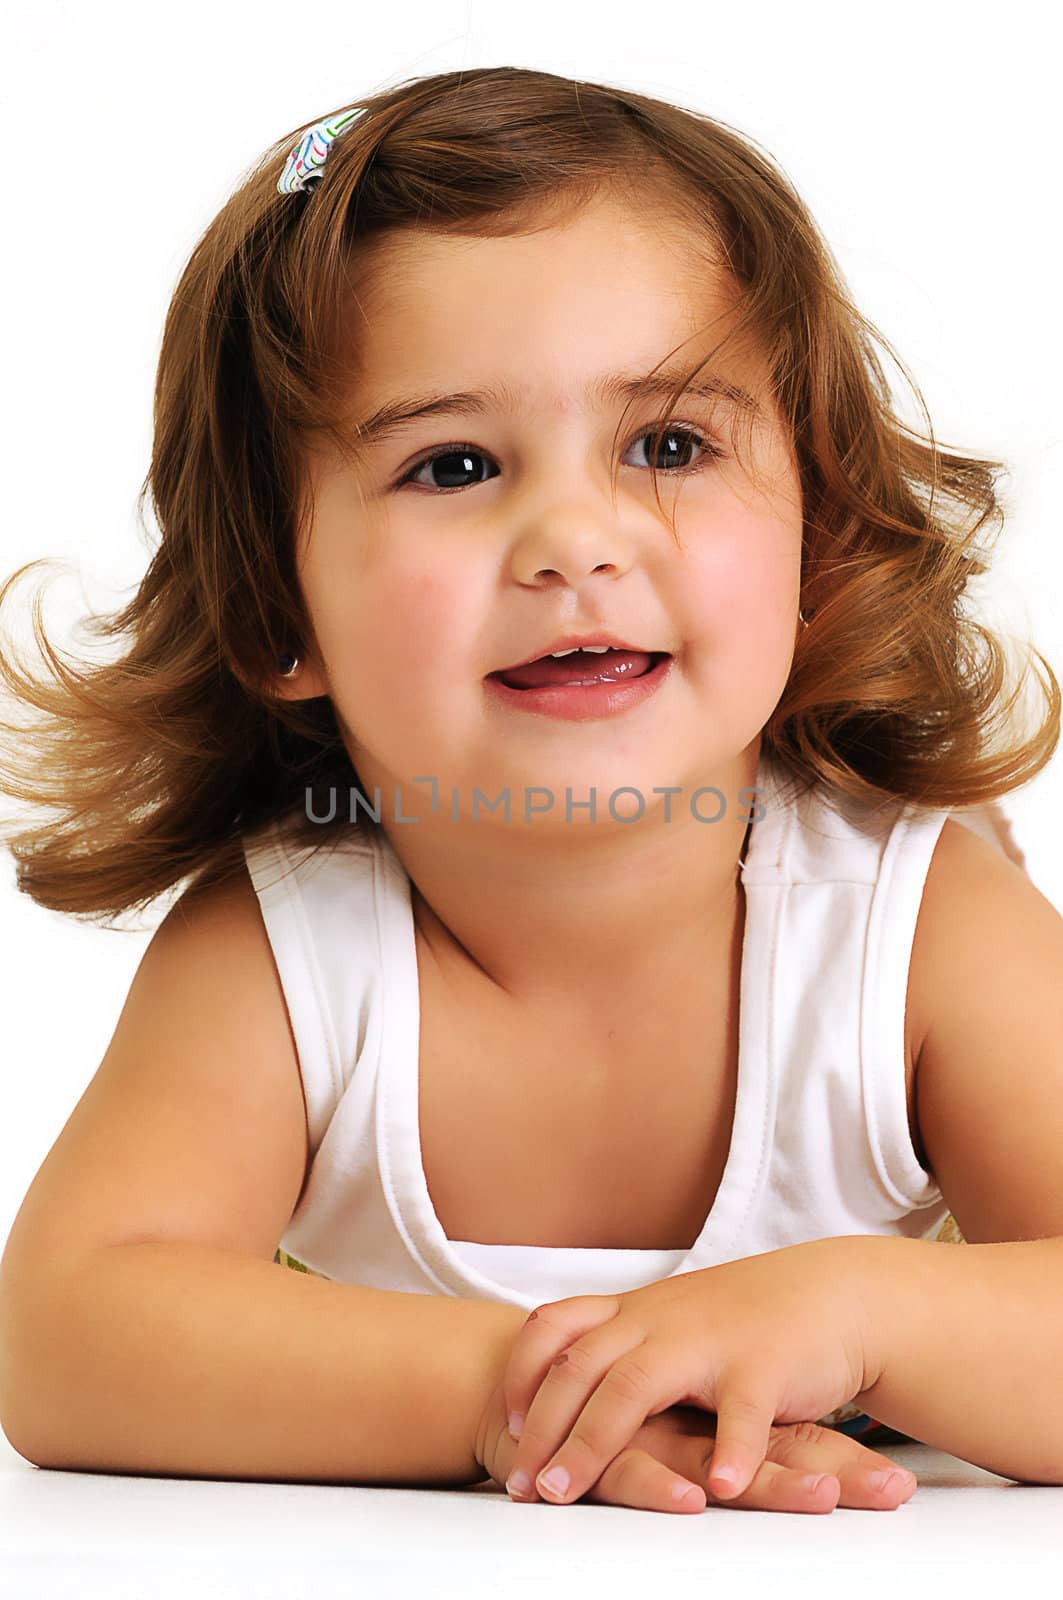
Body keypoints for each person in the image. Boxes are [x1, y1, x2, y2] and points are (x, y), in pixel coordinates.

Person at [0, 67, 1060, 1518]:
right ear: (275, 611)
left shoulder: (922, 924)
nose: (575, 537)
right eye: (454, 463)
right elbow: (66, 1335)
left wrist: (867, 1316)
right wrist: (531, 1396)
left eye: (670, 445)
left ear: (816, 537)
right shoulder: (287, 949)